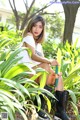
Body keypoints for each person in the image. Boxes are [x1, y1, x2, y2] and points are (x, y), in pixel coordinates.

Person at [19, 15, 70, 120]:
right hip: (24, 72)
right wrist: (49, 61)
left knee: (58, 78)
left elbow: (43, 65)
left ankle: (59, 112)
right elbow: (33, 56)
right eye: (34, 26)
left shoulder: (39, 45)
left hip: (36, 73)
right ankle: (40, 108)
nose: (37, 29)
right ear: (30, 26)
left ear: (43, 29)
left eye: (40, 27)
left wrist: (54, 73)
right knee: (45, 65)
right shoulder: (28, 36)